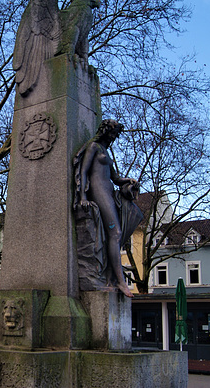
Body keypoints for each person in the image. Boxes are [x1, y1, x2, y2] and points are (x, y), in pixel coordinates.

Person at [74, 119, 140, 298]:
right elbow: (84, 171)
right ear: (104, 131)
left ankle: (112, 276)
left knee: (117, 234)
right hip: (98, 191)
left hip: (108, 192)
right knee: (116, 233)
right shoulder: (94, 147)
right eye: (112, 134)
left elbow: (116, 178)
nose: (113, 138)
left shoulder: (106, 151)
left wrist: (128, 181)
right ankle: (119, 280)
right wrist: (82, 197)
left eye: (115, 135)